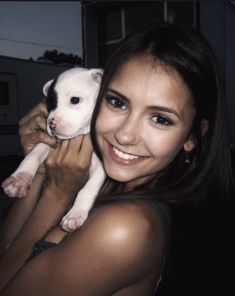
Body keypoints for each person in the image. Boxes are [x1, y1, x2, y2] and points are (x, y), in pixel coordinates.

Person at [0, 24, 234, 295]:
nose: (125, 135)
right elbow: (6, 249)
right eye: (117, 103)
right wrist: (37, 164)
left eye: (160, 119)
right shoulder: (108, 184)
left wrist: (57, 194)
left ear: (192, 137)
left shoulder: (125, 228)